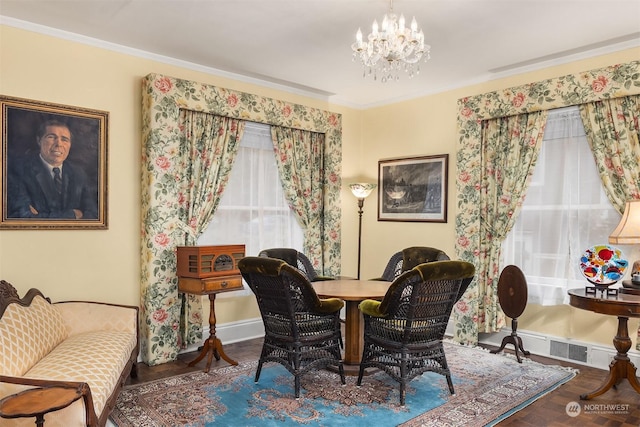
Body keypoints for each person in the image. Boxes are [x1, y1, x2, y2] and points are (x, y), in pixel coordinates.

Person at [7, 119, 98, 219]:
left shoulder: (78, 174)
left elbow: (93, 216)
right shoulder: (19, 171)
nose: (58, 144)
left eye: (64, 139)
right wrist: (72, 214)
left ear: (70, 145)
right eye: (51, 137)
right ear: (39, 140)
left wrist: (40, 216)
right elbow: (21, 217)